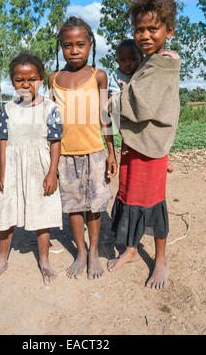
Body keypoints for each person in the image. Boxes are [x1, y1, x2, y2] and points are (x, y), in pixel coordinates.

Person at [108, 0, 181, 289]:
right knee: (130, 197)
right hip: (136, 144)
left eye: (153, 29)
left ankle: (160, 259)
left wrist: (109, 101)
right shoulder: (147, 62)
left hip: (151, 149)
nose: (145, 35)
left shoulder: (164, 63)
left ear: (169, 31)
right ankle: (131, 249)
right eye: (139, 29)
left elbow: (140, 104)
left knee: (153, 201)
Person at [48, 16, 117, 280]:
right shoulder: (54, 79)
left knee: (95, 206)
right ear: (61, 47)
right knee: (74, 206)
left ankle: (94, 250)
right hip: (65, 154)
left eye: (80, 44)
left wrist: (111, 152)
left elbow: (105, 116)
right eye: (68, 45)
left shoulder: (98, 76)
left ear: (90, 45)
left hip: (95, 152)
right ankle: (81, 251)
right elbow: (52, 122)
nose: (74, 50)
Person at [0, 52, 63, 285]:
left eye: (32, 78)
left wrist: (52, 172)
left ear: (41, 79)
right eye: (20, 79)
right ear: (12, 82)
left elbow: (56, 142)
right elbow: (3, 141)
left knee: (42, 211)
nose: (26, 84)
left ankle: (45, 261)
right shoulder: (8, 108)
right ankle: (2, 260)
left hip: (40, 166)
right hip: (13, 166)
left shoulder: (50, 108)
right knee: (7, 211)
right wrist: (2, 171)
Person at [108, 39, 143, 130]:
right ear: (117, 61)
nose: (128, 63)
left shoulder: (142, 73)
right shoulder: (116, 75)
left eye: (133, 59)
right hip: (123, 113)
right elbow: (113, 97)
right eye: (123, 60)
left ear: (141, 59)